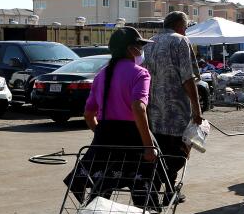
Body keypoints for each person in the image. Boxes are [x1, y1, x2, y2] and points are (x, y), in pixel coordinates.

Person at [64, 26, 156, 203]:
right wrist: (148, 146)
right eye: (140, 47)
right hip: (132, 135)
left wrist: (101, 133)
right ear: (131, 49)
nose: (141, 51)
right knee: (141, 178)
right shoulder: (140, 73)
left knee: (104, 178)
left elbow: (89, 114)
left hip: (105, 134)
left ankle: (94, 213)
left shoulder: (101, 75)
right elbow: (138, 107)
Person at [143, 11, 203, 201]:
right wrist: (197, 108)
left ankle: (161, 192)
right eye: (185, 27)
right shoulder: (180, 41)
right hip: (176, 110)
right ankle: (165, 190)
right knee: (180, 152)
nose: (186, 31)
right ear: (179, 25)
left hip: (154, 110)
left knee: (159, 151)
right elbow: (188, 77)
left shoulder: (150, 43)